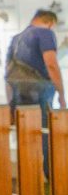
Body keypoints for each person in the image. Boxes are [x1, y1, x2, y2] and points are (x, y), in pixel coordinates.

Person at [5, 9, 64, 177]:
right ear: (51, 22)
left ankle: (28, 177)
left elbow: (7, 74)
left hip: (18, 93)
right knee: (45, 133)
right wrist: (61, 94)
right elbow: (51, 64)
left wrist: (10, 104)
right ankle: (49, 177)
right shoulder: (45, 34)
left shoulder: (16, 39)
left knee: (25, 135)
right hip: (39, 92)